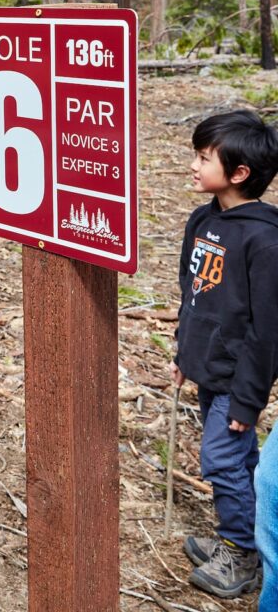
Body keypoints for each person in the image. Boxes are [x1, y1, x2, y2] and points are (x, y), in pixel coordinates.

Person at [169, 110, 278, 600]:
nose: (193, 165)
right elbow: (191, 292)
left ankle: (241, 550)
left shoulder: (264, 239)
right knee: (235, 461)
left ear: (239, 174)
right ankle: (240, 533)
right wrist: (182, 352)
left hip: (238, 380)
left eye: (203, 157)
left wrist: (248, 400)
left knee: (220, 458)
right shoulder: (202, 218)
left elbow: (268, 330)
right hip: (207, 366)